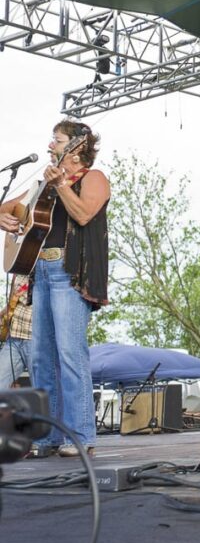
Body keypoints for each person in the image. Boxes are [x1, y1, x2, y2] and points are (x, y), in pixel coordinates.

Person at [0, 121, 109, 457]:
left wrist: (61, 185)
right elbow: (9, 208)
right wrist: (4, 218)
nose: (50, 146)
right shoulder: (40, 182)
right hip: (39, 272)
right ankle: (47, 438)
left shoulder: (94, 178)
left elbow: (84, 214)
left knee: (70, 354)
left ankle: (80, 435)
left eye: (57, 140)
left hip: (68, 271)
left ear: (76, 148)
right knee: (41, 357)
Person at [0, 276, 32, 388]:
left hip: (37, 341)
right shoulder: (18, 270)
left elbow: (27, 298)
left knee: (46, 392)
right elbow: (13, 302)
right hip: (14, 339)